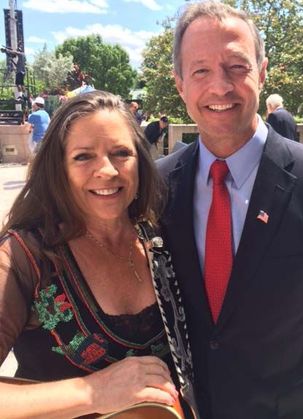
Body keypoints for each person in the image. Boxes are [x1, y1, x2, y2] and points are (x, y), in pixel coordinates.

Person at [157, 2, 303, 419]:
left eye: (236, 67)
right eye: (201, 70)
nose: (219, 87)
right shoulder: (155, 187)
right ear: (180, 84)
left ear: (262, 73)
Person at [0, 91, 196, 418]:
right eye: (83, 156)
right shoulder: (24, 257)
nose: (106, 170)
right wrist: (94, 392)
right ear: (58, 167)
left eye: (121, 153)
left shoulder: (159, 237)